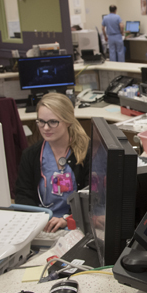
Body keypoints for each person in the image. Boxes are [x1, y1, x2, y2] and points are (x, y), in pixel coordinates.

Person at [15, 93, 91, 232]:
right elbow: (23, 195)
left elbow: (92, 196)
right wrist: (37, 219)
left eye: (53, 122)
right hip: (42, 225)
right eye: (41, 122)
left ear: (68, 121)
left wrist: (67, 218)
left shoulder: (88, 152)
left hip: (76, 223)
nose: (45, 128)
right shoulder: (31, 155)